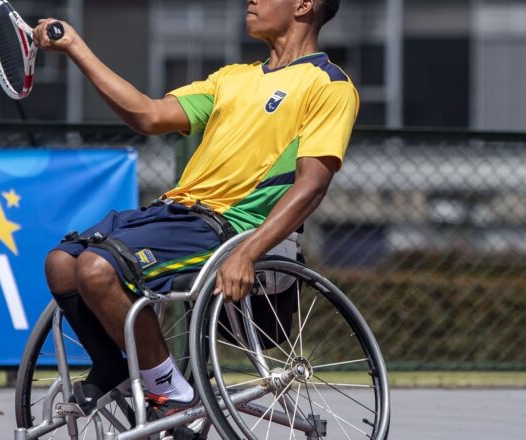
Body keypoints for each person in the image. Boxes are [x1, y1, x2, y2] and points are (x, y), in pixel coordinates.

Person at [34, 0, 358, 416]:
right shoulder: (231, 78)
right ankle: (115, 368)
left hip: (228, 225)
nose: (251, 1)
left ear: (303, 5)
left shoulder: (329, 85)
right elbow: (147, 115)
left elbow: (312, 187)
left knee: (97, 269)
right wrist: (76, 46)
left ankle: (172, 393)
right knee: (61, 262)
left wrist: (247, 251)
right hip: (176, 211)